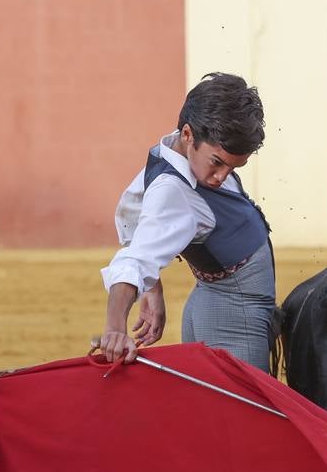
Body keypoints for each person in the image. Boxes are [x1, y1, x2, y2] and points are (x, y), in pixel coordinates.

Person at [94, 73, 275, 372]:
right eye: (217, 162)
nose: (221, 177)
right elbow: (133, 261)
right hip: (232, 317)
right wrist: (115, 327)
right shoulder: (173, 191)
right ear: (188, 135)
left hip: (216, 306)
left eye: (233, 167)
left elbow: (131, 210)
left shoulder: (176, 152)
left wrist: (153, 289)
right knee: (250, 415)